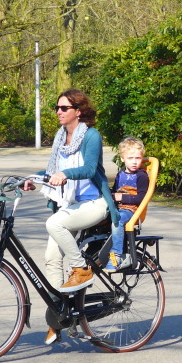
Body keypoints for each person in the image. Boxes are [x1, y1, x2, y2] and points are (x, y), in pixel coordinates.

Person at [27, 89, 118, 345]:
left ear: (78, 111)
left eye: (64, 108)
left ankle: (80, 268)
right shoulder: (60, 138)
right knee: (51, 259)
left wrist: (66, 174)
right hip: (69, 204)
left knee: (53, 223)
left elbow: (90, 168)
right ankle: (60, 317)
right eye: (57, 108)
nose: (58, 112)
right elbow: (52, 171)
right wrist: (32, 180)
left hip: (93, 203)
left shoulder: (91, 135)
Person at [106, 136, 149, 272]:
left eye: (138, 158)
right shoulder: (120, 175)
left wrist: (120, 197)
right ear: (123, 158)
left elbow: (141, 198)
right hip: (119, 208)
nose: (135, 162)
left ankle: (116, 256)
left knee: (117, 220)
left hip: (131, 210)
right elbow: (114, 192)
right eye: (130, 158)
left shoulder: (141, 176)